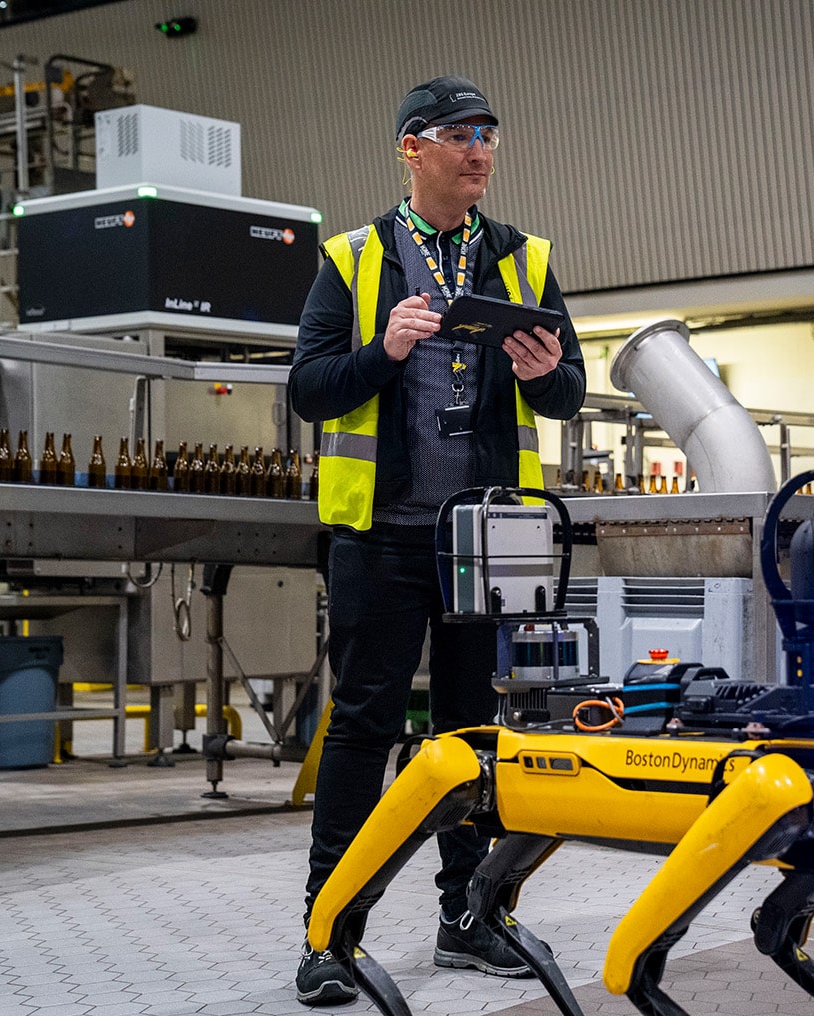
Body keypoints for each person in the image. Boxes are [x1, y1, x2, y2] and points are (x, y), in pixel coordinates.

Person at [287, 75, 585, 1006]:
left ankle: (470, 917)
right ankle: (328, 933)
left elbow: (567, 391)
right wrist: (385, 351)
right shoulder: (354, 257)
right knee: (363, 728)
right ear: (413, 148)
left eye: (490, 133)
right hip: (380, 536)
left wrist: (546, 375)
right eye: (461, 134)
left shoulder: (522, 258)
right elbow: (310, 388)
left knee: (474, 735)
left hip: (487, 537)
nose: (481, 149)